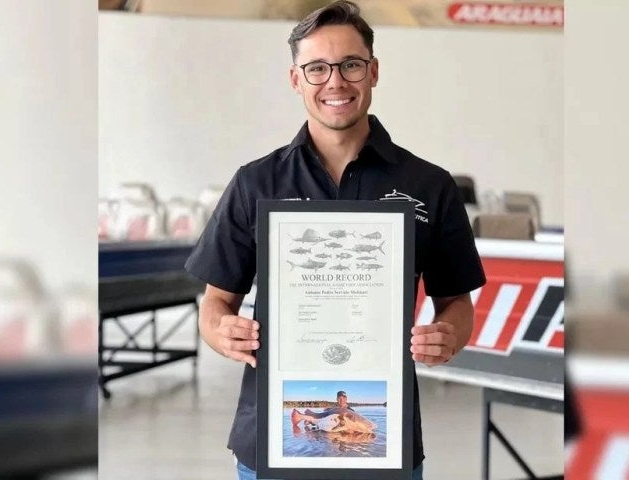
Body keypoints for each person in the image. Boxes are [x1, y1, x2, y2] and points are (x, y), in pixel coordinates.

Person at [185, 2, 486, 478]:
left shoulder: (429, 186)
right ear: (296, 79)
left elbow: (457, 303)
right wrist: (222, 332)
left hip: (387, 451)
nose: (335, 81)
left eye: (350, 64)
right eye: (317, 68)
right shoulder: (255, 184)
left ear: (373, 71)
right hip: (268, 443)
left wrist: (448, 335)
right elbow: (215, 303)